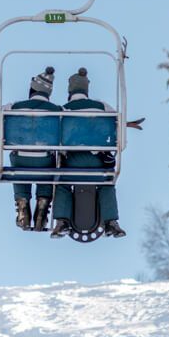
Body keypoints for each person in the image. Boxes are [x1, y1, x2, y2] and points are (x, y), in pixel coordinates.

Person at [50, 68, 125, 239]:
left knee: (62, 184)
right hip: (98, 164)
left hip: (73, 164)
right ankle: (111, 222)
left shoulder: (63, 110)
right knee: (107, 184)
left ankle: (62, 221)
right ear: (86, 90)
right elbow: (114, 126)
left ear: (70, 92)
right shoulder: (103, 107)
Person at [5, 67, 60, 231]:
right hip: (44, 159)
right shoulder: (56, 110)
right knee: (49, 169)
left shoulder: (15, 106)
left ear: (32, 89)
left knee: (19, 170)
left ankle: (22, 204)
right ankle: (43, 204)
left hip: (20, 158)